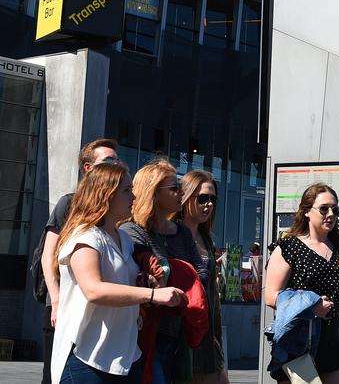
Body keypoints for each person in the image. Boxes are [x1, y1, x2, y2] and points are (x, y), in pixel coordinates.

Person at [51, 161, 185, 384]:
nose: (133, 197)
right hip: (86, 357)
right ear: (106, 194)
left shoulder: (123, 238)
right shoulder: (85, 236)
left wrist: (144, 283)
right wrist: (152, 295)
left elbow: (122, 283)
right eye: (126, 190)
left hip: (126, 357)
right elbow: (94, 290)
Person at [41, 138, 120, 384]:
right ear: (88, 168)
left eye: (117, 159)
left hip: (95, 308)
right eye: (109, 160)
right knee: (56, 373)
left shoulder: (114, 207)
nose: (116, 163)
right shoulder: (70, 202)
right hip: (64, 302)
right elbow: (48, 254)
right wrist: (55, 299)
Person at [121, 161, 208, 384]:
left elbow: (201, 272)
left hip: (179, 332)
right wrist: (181, 276)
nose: (181, 193)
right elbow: (152, 275)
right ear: (153, 193)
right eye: (174, 188)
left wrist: (177, 276)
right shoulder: (131, 230)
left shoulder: (182, 233)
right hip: (145, 331)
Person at [265, 183, 339, 384]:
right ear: (307, 211)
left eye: (335, 209)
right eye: (324, 208)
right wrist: (311, 306)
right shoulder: (289, 247)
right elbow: (271, 295)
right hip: (298, 340)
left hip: (333, 340)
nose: (331, 214)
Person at [179, 171, 229, 384]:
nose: (208, 204)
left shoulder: (206, 238)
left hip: (208, 334)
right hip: (182, 333)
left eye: (212, 199)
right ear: (187, 196)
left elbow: (212, 297)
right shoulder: (172, 234)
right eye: (202, 198)